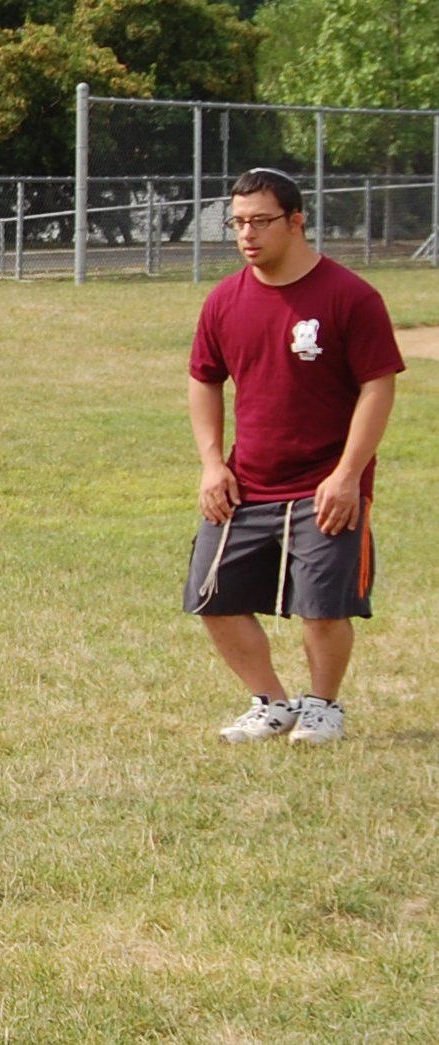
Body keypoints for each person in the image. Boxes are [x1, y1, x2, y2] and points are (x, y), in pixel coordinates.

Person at [189, 168, 402, 745]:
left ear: (296, 220)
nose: (246, 235)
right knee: (212, 597)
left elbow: (377, 387)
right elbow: (204, 380)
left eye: (260, 221)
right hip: (248, 482)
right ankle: (271, 704)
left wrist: (348, 475)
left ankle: (323, 706)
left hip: (325, 482)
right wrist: (213, 463)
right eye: (237, 223)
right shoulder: (225, 301)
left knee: (323, 609)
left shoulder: (349, 296)